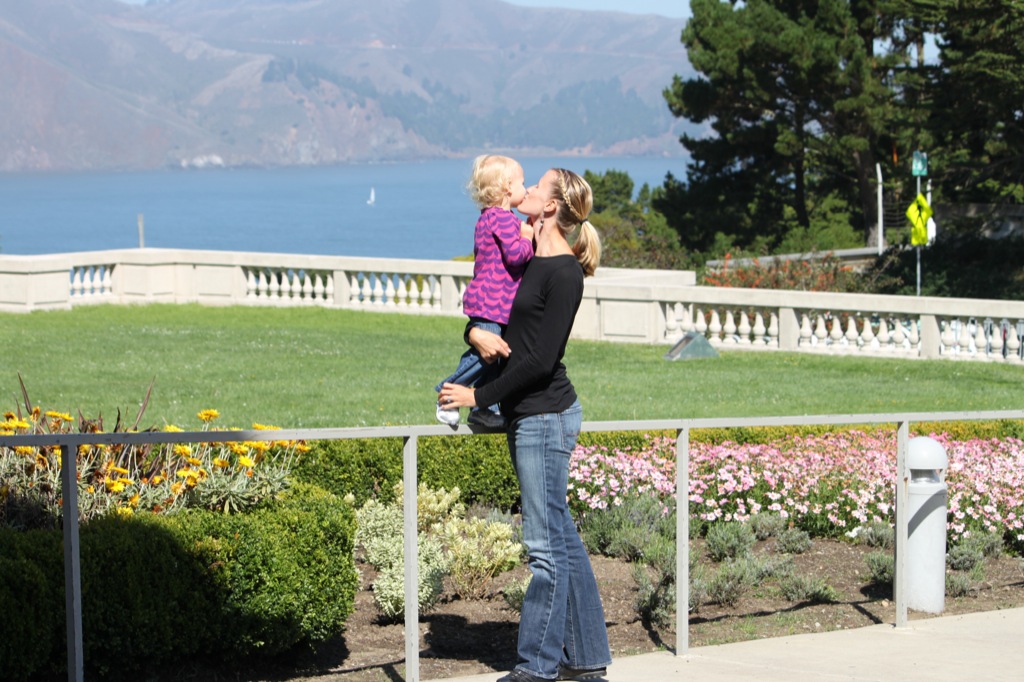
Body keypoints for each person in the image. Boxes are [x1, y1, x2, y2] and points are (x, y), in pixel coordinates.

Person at [438, 168, 611, 682]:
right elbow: (495, 313)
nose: (527, 191)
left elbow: (538, 360)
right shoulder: (527, 257)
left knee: (543, 547)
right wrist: (473, 333)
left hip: (546, 416)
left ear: (551, 207)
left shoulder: (564, 273)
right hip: (529, 414)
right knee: (561, 537)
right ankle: (587, 661)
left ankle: (536, 667)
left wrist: (477, 396)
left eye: (537, 187)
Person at [435, 154, 534, 428]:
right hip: (493, 303)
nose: (526, 189)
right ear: (507, 186)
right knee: (485, 355)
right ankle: (448, 393)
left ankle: (484, 408)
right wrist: (527, 239)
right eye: (522, 183)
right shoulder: (503, 219)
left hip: (491, 303)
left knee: (494, 360)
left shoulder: (489, 217)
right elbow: (515, 256)